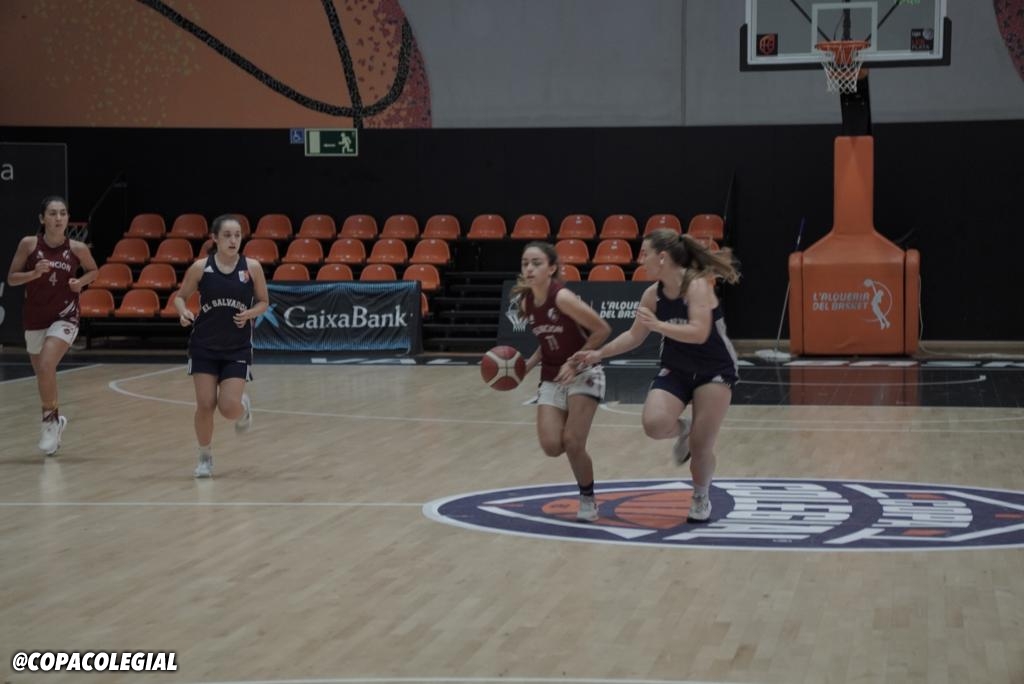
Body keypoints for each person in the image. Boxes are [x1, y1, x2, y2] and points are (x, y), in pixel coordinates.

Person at [572, 229, 740, 523]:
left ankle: (701, 495)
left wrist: (659, 326)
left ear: (662, 257)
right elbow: (634, 336)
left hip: (714, 369)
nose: (641, 259)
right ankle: (684, 429)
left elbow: (699, 333)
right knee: (654, 424)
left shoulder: (697, 286)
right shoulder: (652, 294)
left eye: (645, 253)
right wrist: (598, 353)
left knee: (701, 446)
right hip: (677, 368)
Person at [512, 242, 611, 521]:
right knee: (552, 446)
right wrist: (527, 366)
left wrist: (574, 361)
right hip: (552, 375)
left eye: (536, 263)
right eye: (525, 263)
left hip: (584, 372)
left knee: (572, 441)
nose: (529, 269)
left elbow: (602, 330)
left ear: (552, 268)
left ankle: (588, 498)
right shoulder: (526, 302)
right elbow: (547, 340)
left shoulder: (563, 297)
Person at [175, 214, 268, 478]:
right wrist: (183, 312)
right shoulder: (200, 268)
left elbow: (263, 302)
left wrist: (250, 314)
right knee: (205, 405)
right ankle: (205, 457)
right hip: (204, 345)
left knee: (228, 408)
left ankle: (243, 408)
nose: (233, 240)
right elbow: (180, 297)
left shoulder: (252, 267)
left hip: (237, 347)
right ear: (214, 238)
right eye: (227, 235)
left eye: (237, 235)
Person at [6, 195, 98, 455]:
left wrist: (80, 283)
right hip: (35, 317)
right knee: (43, 375)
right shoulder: (29, 244)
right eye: (53, 213)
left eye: (63, 213)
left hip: (65, 315)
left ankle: (48, 422)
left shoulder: (78, 248)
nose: (59, 218)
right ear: (42, 218)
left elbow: (94, 271)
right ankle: (56, 420)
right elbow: (12, 278)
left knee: (47, 364)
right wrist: (34, 273)